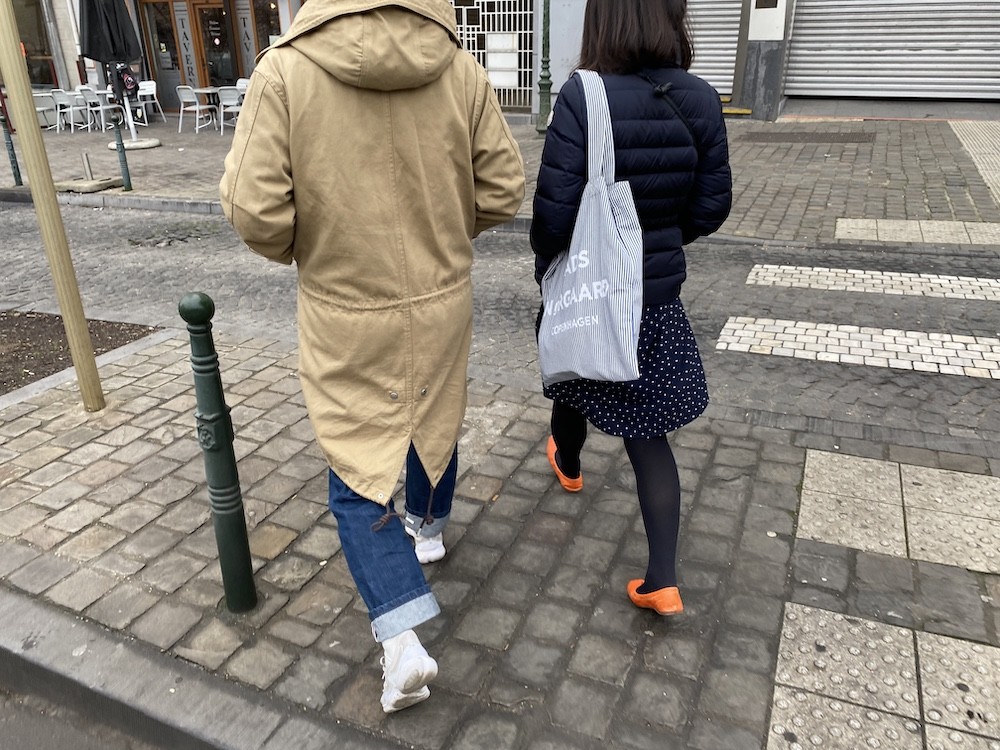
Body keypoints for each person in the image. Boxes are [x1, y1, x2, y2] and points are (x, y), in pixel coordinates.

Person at [220, 0, 524, 713]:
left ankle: (402, 643)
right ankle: (430, 532)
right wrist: (443, 234)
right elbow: (504, 189)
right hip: (441, 297)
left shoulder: (284, 72)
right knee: (431, 415)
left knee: (354, 465)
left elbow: (256, 211)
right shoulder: (460, 69)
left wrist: (309, 246)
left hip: (346, 307)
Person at [531, 0, 732, 617]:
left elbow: (554, 213)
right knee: (648, 435)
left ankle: (568, 459)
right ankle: (661, 579)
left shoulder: (582, 94)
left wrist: (555, 264)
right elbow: (712, 206)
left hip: (595, 287)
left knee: (575, 357)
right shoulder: (701, 98)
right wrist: (661, 240)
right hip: (655, 298)